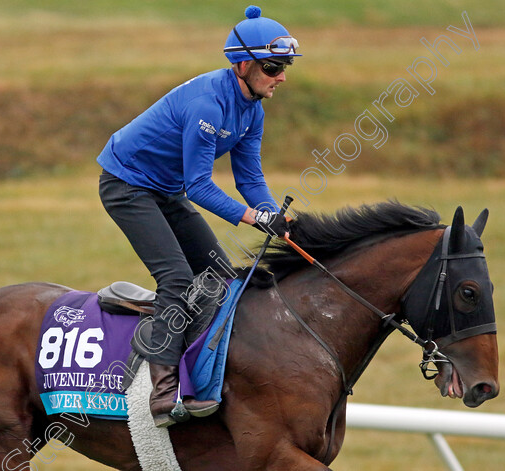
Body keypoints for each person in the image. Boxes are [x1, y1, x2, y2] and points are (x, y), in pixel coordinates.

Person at [97, 5, 299, 427]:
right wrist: (252, 218)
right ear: (243, 65)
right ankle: (163, 389)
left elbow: (249, 176)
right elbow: (199, 186)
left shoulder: (253, 109)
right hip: (127, 185)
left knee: (220, 277)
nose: (282, 76)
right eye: (274, 66)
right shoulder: (208, 105)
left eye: (285, 67)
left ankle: (201, 362)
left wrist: (269, 212)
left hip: (164, 189)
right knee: (176, 277)